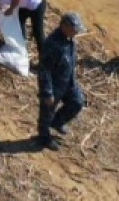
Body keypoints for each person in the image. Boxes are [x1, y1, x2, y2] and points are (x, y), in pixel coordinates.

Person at [37, 12, 87, 151]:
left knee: (77, 102)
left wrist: (72, 81)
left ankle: (58, 121)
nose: (76, 32)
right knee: (46, 113)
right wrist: (47, 92)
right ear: (64, 26)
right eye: (74, 29)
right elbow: (44, 70)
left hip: (67, 82)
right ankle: (43, 137)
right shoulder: (52, 44)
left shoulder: (69, 40)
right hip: (54, 86)